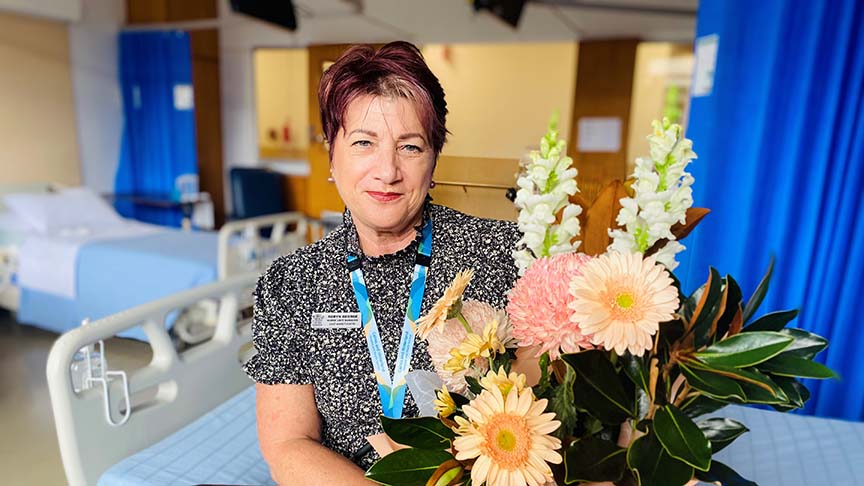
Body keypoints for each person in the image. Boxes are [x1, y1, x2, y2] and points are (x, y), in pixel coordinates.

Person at [244, 41, 520, 485]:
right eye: (363, 143)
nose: (387, 170)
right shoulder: (291, 283)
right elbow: (287, 443)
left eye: (410, 147)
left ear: (434, 159)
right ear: (332, 154)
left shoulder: (502, 254)